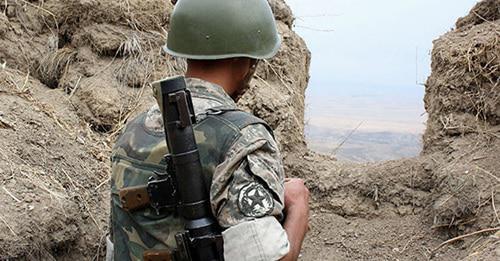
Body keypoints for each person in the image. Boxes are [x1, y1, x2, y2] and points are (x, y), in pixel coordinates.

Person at [108, 0, 309, 260]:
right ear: (244, 60)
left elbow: (116, 245)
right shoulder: (242, 138)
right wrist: (299, 208)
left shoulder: (132, 131)